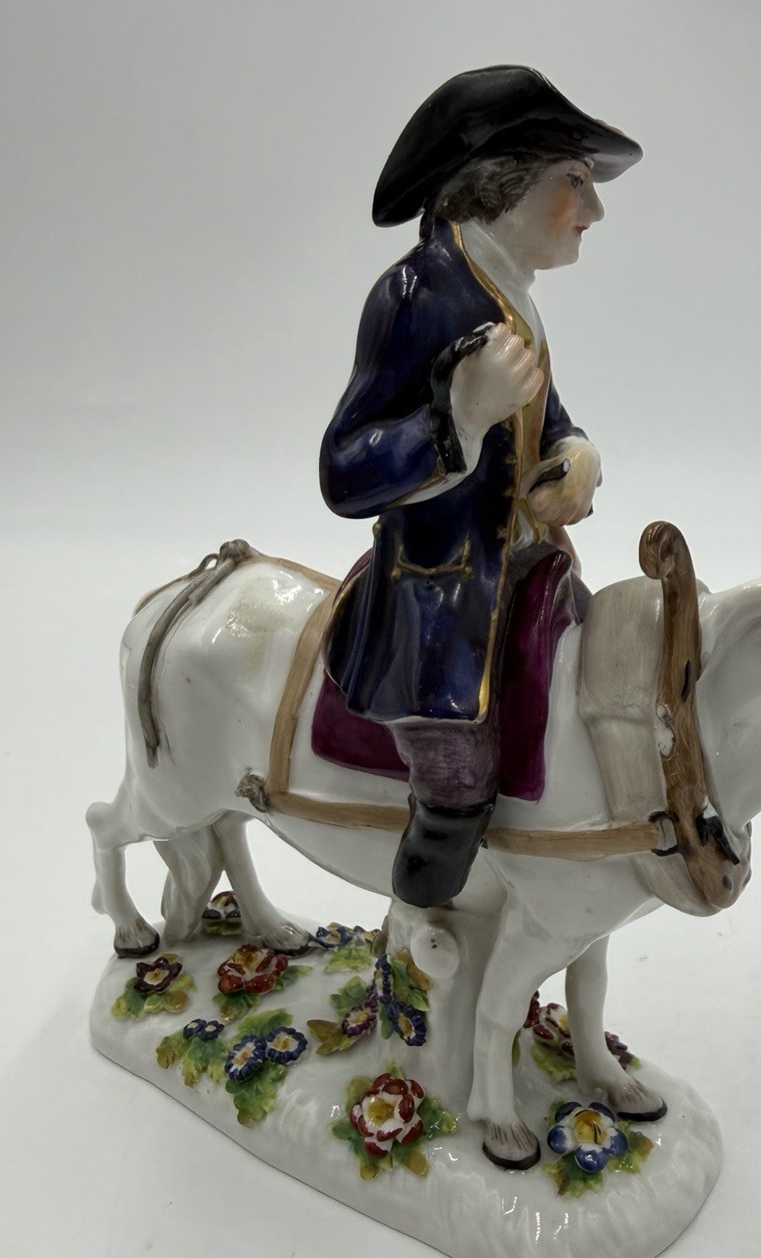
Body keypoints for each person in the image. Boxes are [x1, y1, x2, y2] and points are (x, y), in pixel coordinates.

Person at [320, 66, 641, 907]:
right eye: (574, 181)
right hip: (438, 596)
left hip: (527, 572)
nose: (595, 209)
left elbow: (547, 416)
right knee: (457, 772)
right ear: (499, 185)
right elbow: (344, 468)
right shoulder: (415, 294)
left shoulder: (513, 295)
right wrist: (456, 417)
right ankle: (429, 910)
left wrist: (575, 456)